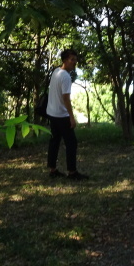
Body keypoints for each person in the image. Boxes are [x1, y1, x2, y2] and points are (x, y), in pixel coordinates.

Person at [46, 49, 89, 180]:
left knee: (54, 141)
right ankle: (72, 172)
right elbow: (66, 98)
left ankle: (52, 170)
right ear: (64, 60)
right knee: (71, 143)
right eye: (72, 60)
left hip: (52, 113)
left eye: (75, 60)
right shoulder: (65, 76)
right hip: (61, 115)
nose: (74, 63)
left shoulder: (56, 71)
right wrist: (71, 117)